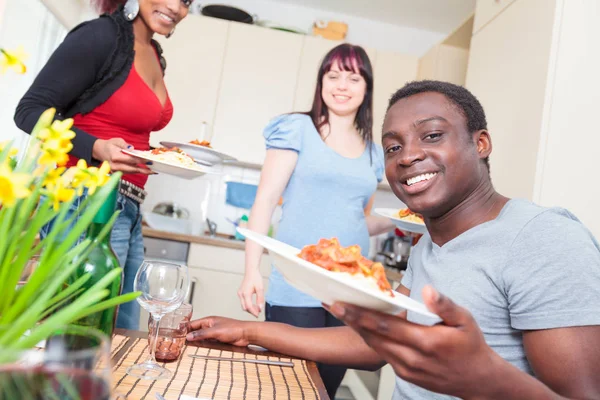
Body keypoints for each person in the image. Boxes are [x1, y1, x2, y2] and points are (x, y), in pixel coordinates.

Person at [188, 81, 600, 399]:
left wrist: (487, 379)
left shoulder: (544, 238)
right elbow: (377, 344)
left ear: (481, 143)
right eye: (393, 146)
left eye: (432, 135)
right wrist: (250, 333)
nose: (406, 156)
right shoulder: (429, 245)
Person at [14, 0, 192, 330]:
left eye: (187, 1)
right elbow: (28, 111)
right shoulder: (100, 36)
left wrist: (153, 155)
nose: (178, 7)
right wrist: (96, 147)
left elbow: (120, 128)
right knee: (85, 333)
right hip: (85, 200)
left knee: (119, 329)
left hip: (126, 205)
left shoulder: (153, 52)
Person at [237, 43, 395, 397]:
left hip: (350, 293)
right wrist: (252, 271)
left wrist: (399, 222)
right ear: (321, 82)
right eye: (333, 75)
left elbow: (354, 220)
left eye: (353, 78)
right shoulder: (297, 129)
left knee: (327, 389)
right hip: (297, 285)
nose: (342, 85)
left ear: (366, 88)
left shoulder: (373, 153)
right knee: (290, 389)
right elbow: (263, 202)